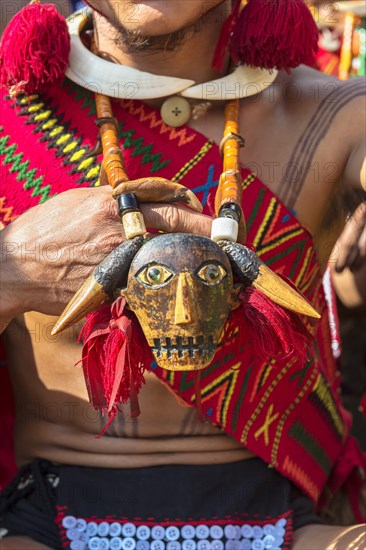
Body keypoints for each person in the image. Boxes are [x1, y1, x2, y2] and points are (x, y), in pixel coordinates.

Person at [0, 1, 365, 549]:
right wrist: (13, 267)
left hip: (290, 527)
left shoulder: (337, 117)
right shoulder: (13, 118)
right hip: (45, 523)